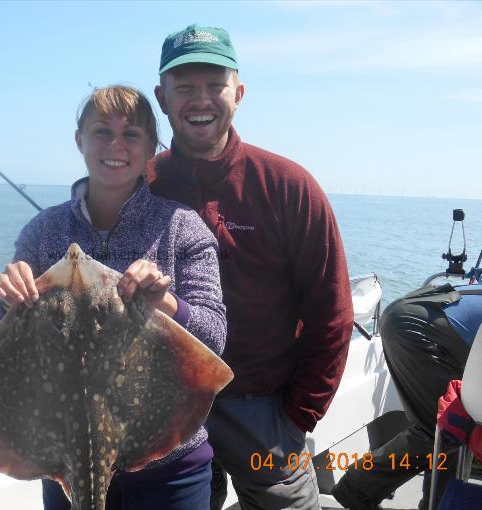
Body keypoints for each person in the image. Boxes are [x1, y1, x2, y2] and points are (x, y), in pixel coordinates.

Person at [0, 85, 227, 510]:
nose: (115, 145)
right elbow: (5, 345)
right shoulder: (43, 232)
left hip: (169, 461)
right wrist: (12, 302)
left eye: (131, 134)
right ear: (79, 140)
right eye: (102, 132)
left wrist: (166, 303)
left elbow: (215, 337)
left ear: (151, 148)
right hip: (64, 459)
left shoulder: (181, 228)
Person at [146, 24, 355, 510]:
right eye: (184, 87)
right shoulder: (142, 184)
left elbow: (333, 311)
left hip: (265, 408)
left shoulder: (289, 186)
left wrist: (298, 415)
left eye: (214, 85)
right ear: (162, 97)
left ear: (238, 93)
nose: (201, 100)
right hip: (167, 411)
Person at [332, 281, 482, 510]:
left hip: (408, 317)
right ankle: (356, 489)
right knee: (444, 429)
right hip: (419, 331)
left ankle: (436, 503)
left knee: (446, 430)